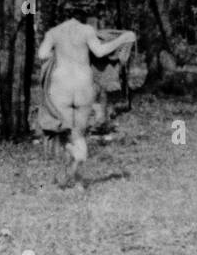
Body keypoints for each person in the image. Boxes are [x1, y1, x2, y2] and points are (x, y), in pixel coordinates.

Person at [37, 18, 136, 181]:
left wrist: (58, 53)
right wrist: (122, 39)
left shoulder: (54, 32)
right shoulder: (87, 30)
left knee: (62, 131)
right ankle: (76, 166)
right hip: (83, 86)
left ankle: (74, 158)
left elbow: (42, 55)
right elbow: (100, 52)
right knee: (78, 134)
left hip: (61, 86)